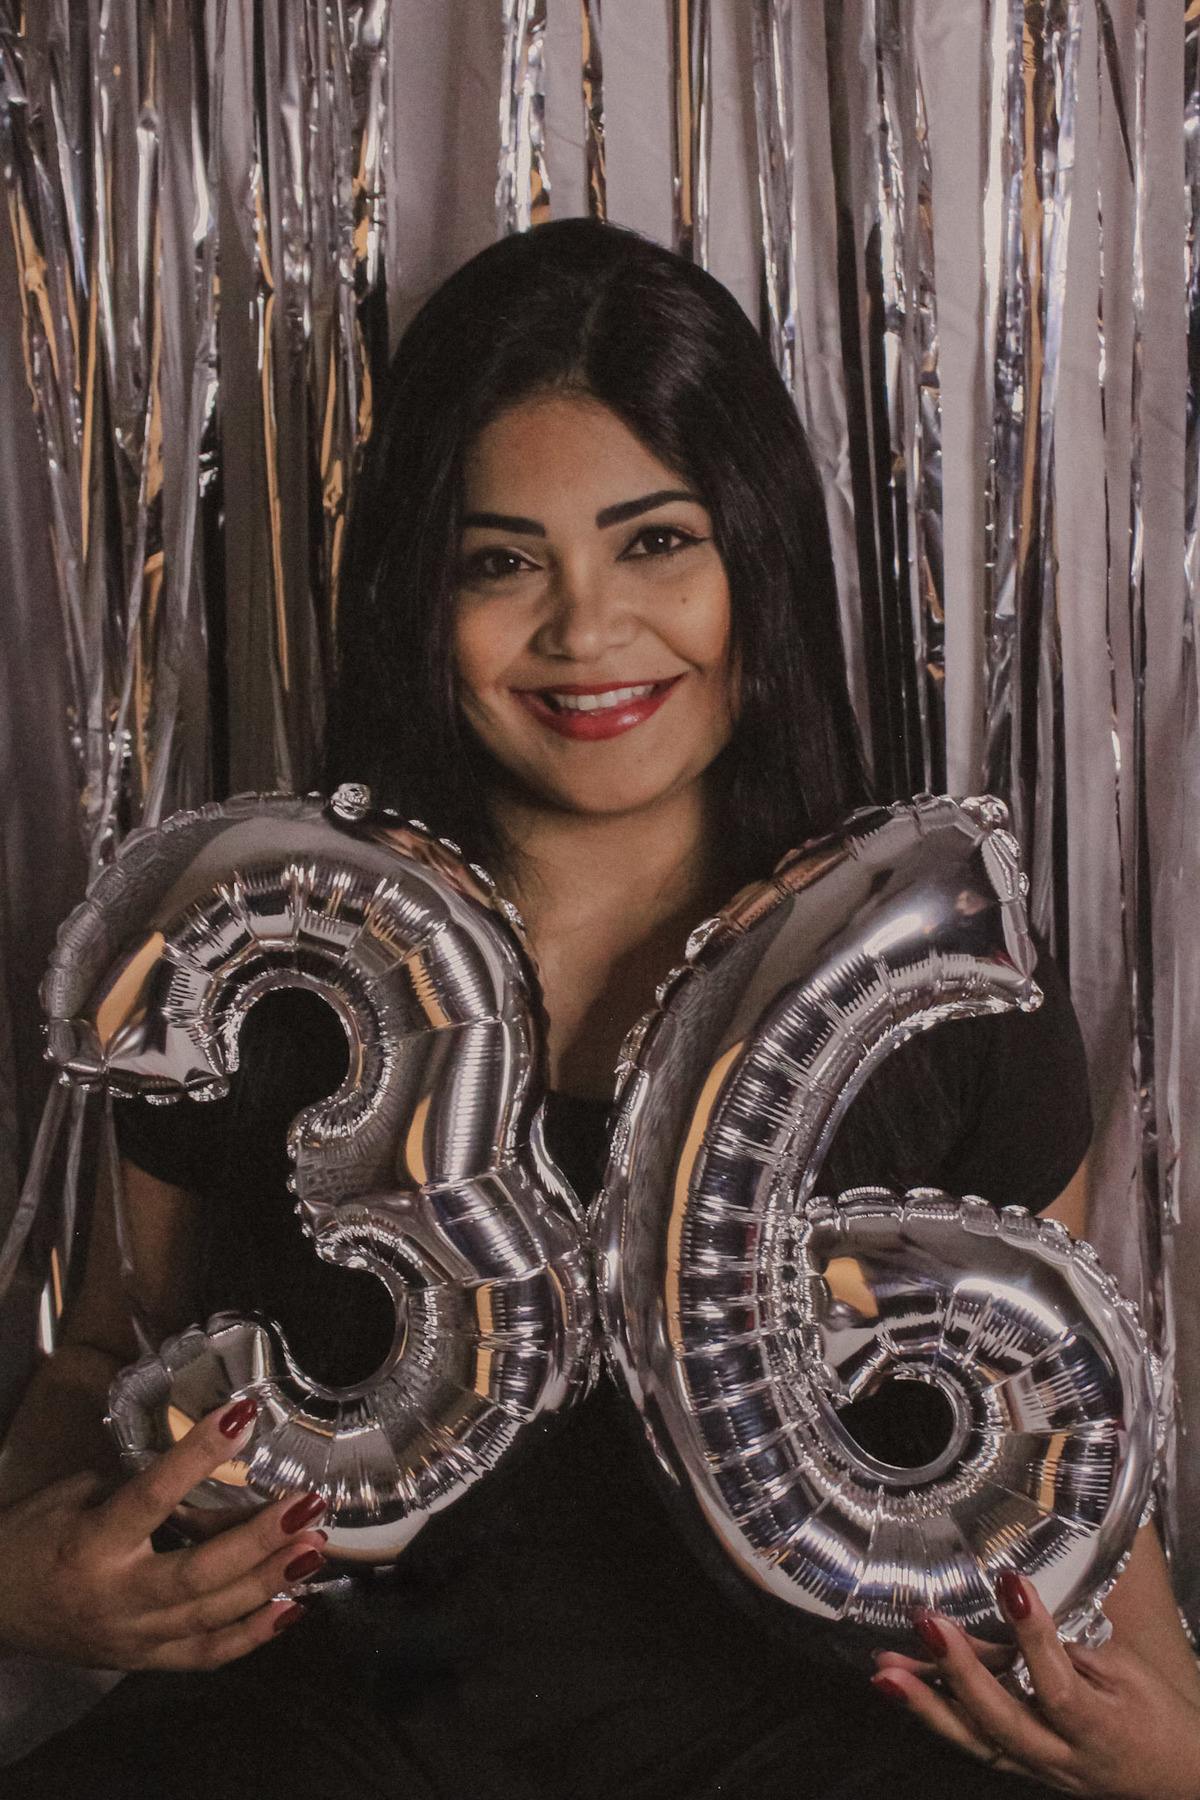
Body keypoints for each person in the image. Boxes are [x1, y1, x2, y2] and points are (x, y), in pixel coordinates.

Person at [0, 218, 1196, 1800]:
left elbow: (1074, 1465)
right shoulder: (261, 961)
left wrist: (1178, 1747)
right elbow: (97, 1363)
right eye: (501, 562)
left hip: (820, 1748)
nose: (585, 631)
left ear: (753, 552)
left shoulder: (942, 995)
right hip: (322, 1740)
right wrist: (25, 1582)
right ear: (420, 596)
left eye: (656, 541)